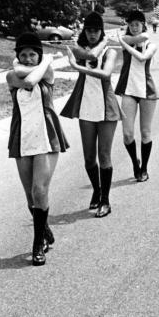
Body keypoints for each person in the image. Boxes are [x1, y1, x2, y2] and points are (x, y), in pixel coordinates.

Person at [6, 32, 69, 266]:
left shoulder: (48, 73)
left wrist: (45, 63)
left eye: (33, 54)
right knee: (29, 197)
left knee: (39, 190)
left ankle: (37, 245)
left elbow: (33, 81)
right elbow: (26, 79)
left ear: (38, 54)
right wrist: (47, 59)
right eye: (23, 55)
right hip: (22, 137)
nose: (28, 58)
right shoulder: (11, 76)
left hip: (45, 134)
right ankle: (45, 231)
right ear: (17, 57)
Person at [61, 11, 121, 218]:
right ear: (84, 31)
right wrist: (102, 42)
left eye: (96, 31)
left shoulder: (111, 52)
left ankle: (105, 200)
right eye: (89, 30)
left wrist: (77, 67)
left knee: (104, 155)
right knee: (88, 158)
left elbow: (105, 74)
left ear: (101, 31)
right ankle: (97, 189)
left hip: (106, 107)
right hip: (86, 106)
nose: (92, 34)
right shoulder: (80, 49)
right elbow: (91, 55)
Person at [114, 10, 159, 182]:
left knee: (146, 132)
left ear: (143, 25)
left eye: (137, 24)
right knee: (127, 134)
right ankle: (135, 163)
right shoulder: (126, 38)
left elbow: (142, 56)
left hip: (146, 90)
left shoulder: (151, 44)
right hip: (128, 89)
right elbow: (134, 39)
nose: (133, 27)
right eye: (131, 24)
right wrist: (125, 41)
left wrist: (123, 43)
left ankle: (144, 168)